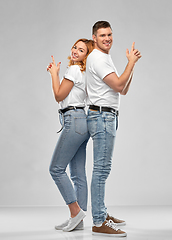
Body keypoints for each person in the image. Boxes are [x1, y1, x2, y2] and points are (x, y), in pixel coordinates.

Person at [86, 21, 142, 237]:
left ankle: (102, 213)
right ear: (94, 37)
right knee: (101, 170)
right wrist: (130, 63)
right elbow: (119, 85)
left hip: (106, 116)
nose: (107, 38)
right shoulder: (99, 59)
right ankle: (99, 221)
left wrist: (131, 65)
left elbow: (122, 90)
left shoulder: (104, 57)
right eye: (102, 35)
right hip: (102, 117)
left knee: (102, 169)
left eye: (109, 34)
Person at [47, 38, 94, 232]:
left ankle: (76, 212)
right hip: (82, 121)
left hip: (73, 120)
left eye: (81, 50)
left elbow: (59, 95)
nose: (75, 51)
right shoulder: (86, 73)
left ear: (87, 56)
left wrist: (54, 74)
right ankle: (78, 220)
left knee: (56, 169)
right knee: (77, 173)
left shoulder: (74, 70)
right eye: (75, 47)